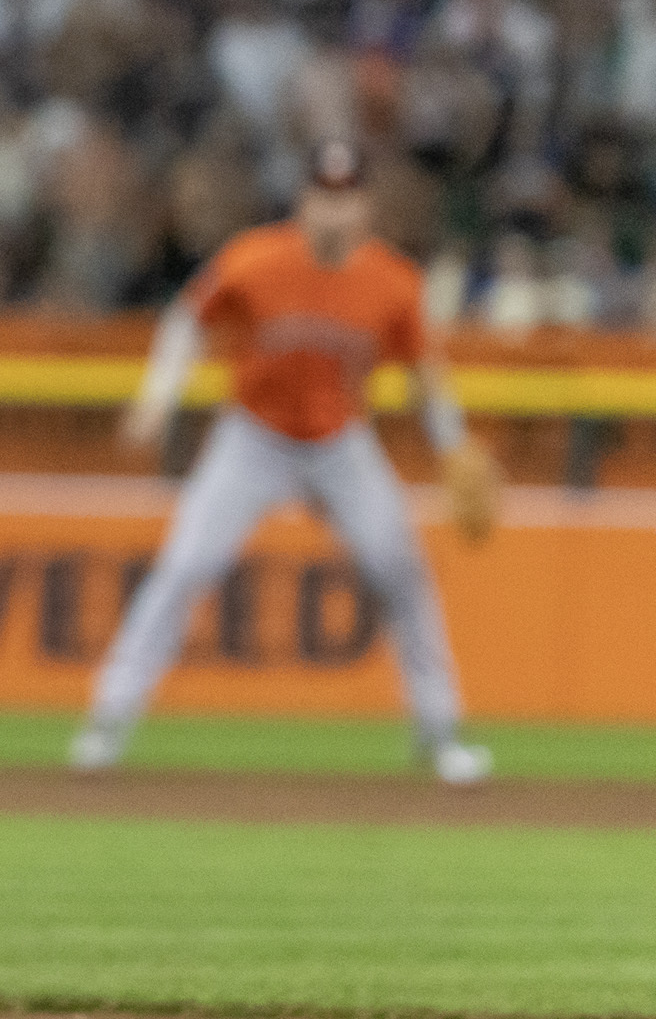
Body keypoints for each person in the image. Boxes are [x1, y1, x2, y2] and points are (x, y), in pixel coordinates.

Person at [72, 139, 500, 784]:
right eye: (324, 197)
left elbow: (426, 375)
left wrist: (452, 444)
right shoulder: (253, 260)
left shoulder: (393, 281)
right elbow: (187, 320)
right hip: (254, 437)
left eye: (347, 198)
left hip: (339, 441)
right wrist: (158, 398)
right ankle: (108, 721)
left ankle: (440, 733)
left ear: (365, 207)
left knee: (399, 567)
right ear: (304, 202)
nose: (335, 211)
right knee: (187, 564)